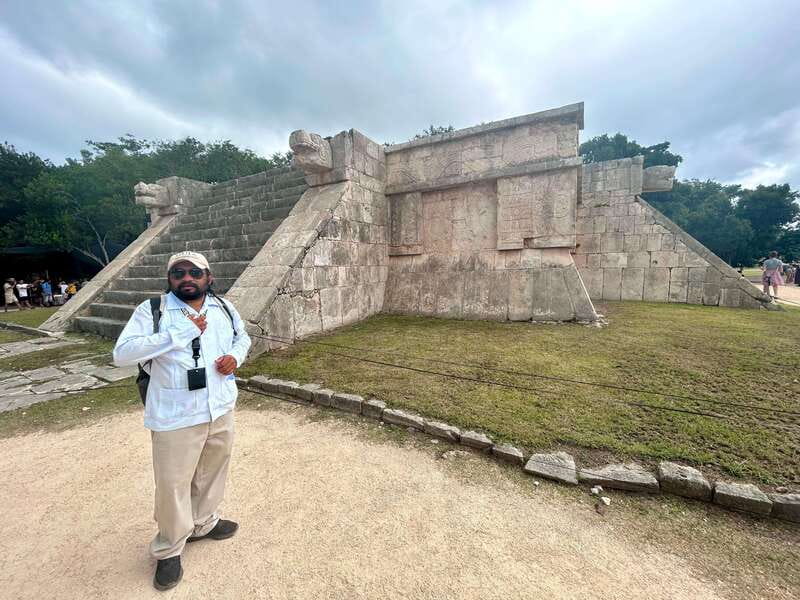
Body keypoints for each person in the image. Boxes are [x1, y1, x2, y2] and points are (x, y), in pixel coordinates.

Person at [113, 251, 251, 591]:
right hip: (176, 414)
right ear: (169, 278)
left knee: (213, 470)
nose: (186, 278)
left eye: (194, 272)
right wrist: (179, 332)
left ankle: (203, 522)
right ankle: (170, 548)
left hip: (219, 406)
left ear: (209, 277)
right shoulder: (154, 311)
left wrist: (235, 357)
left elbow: (242, 336)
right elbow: (122, 354)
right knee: (173, 484)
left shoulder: (223, 307)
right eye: (178, 273)